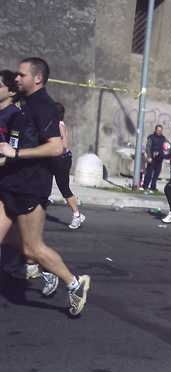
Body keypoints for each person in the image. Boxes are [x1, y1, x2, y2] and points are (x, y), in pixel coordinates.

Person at [0, 57, 89, 314]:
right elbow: (18, 145)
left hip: (30, 186)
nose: (16, 78)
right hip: (10, 183)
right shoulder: (26, 107)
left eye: (21, 74)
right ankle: (42, 269)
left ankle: (73, 284)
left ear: (37, 78)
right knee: (16, 242)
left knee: (33, 247)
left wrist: (14, 155)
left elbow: (55, 146)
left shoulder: (44, 106)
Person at [47, 102, 85, 229]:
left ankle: (77, 215)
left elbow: (65, 144)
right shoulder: (54, 124)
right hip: (53, 158)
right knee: (42, 180)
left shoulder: (59, 125)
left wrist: (51, 144)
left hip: (62, 160)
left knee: (64, 189)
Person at [142, 125, 166, 192]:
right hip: (152, 158)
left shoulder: (163, 138)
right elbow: (148, 147)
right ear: (155, 130)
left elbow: (167, 144)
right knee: (149, 174)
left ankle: (153, 186)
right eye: (158, 130)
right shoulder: (151, 138)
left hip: (159, 159)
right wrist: (149, 157)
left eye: (160, 131)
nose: (159, 132)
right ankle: (145, 185)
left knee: (156, 174)